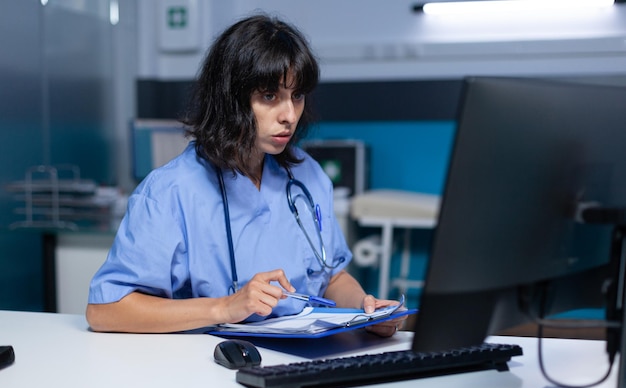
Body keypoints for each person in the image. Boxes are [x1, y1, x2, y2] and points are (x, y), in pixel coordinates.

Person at [86, 14, 405, 336]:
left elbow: (332, 277)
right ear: (230, 99)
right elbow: (106, 311)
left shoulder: (307, 174)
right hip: (210, 364)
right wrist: (225, 307)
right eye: (270, 97)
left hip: (301, 358)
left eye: (296, 96)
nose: (290, 115)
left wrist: (367, 310)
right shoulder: (170, 191)